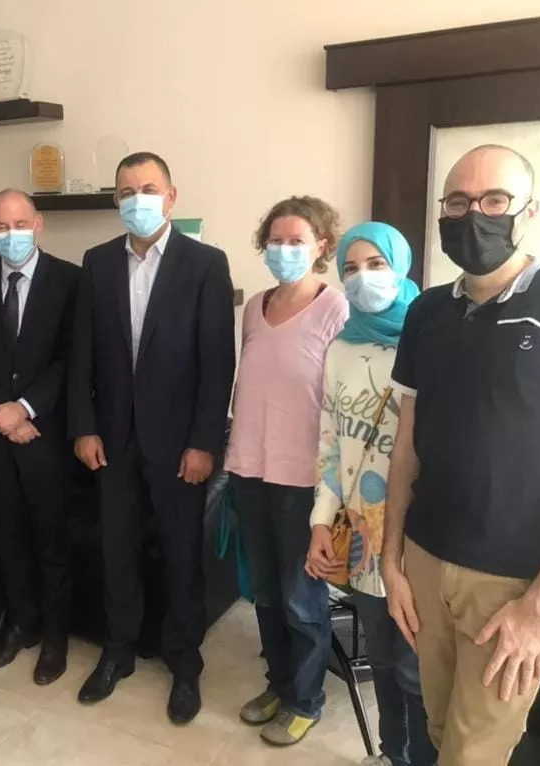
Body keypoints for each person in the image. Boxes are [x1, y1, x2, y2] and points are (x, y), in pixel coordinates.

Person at [382, 144, 540, 765]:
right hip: (426, 563)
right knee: (437, 731)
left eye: (495, 200)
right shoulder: (426, 311)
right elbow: (406, 448)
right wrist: (391, 561)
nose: (474, 215)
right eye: (458, 202)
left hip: (514, 584)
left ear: (527, 211)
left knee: (473, 754)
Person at [68, 152, 235, 724]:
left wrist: (204, 442)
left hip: (180, 444)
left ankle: (184, 661)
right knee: (117, 552)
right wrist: (84, 426)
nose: (135, 199)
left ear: (171, 196)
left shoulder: (205, 264)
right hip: (112, 440)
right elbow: (82, 355)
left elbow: (218, 362)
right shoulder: (97, 263)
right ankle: (118, 650)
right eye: (125, 191)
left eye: (147, 188)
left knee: (182, 556)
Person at [305, 222, 435, 766]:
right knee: (380, 658)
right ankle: (389, 754)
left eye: (376, 264)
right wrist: (320, 520)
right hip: (361, 533)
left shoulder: (431, 340)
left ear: (400, 266)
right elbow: (332, 442)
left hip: (418, 534)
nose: (363, 278)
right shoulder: (341, 348)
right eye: (351, 269)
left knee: (416, 668)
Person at [224, 196, 348, 746]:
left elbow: (340, 401)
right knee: (266, 593)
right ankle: (278, 683)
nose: (283, 250)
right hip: (249, 468)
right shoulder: (255, 306)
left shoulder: (336, 310)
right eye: (275, 241)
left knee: (302, 598)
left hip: (303, 479)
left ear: (321, 246)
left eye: (296, 241)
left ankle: (305, 699)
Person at [0, 189, 79, 685]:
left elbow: (71, 359)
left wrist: (25, 409)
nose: (11, 234)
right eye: (2, 227)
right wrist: (3, 413)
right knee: (8, 535)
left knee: (51, 538)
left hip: (45, 432)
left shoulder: (70, 280)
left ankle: (56, 635)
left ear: (39, 223)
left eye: (20, 224)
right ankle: (21, 624)